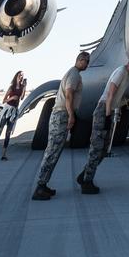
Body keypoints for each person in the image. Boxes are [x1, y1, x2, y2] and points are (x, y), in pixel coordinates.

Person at [76, 52, 129, 193]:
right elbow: (110, 94)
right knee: (97, 147)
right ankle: (86, 183)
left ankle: (84, 174)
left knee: (104, 149)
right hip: (103, 110)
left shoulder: (128, 72)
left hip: (109, 110)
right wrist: (108, 116)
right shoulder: (121, 72)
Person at [31, 50, 90, 200]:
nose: (87, 65)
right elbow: (69, 94)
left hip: (61, 114)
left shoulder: (73, 73)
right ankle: (40, 186)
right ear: (80, 60)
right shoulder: (74, 74)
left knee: (54, 152)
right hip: (62, 115)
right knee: (52, 152)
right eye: (87, 61)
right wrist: (71, 115)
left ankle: (43, 185)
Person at [0, 69, 27, 161]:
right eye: (20, 75)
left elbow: (21, 98)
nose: (21, 77)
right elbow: (4, 100)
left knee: (8, 133)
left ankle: (4, 155)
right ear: (16, 76)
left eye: (22, 75)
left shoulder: (22, 87)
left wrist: (25, 87)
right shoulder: (11, 87)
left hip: (14, 112)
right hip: (7, 110)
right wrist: (12, 98)